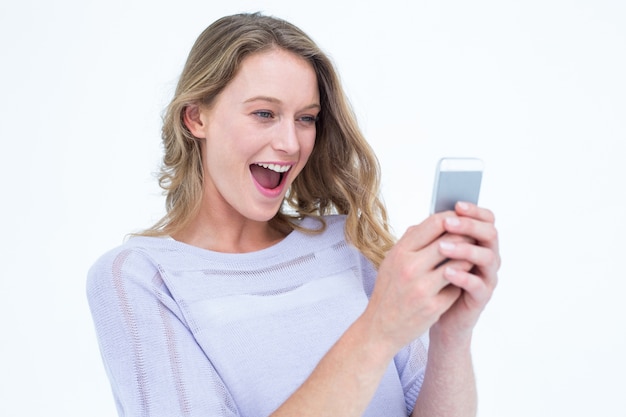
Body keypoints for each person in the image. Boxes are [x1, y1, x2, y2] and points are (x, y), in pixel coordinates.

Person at [87, 12, 500, 417]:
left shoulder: (346, 245)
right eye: (264, 113)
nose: (290, 143)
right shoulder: (140, 277)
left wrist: (451, 333)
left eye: (306, 118)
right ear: (196, 118)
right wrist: (377, 331)